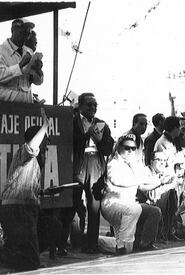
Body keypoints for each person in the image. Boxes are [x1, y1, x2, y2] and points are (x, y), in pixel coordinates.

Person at [0, 108, 48, 271]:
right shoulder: (24, 154)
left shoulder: (32, 163)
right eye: (45, 140)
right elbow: (32, 146)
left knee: (52, 226)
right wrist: (45, 127)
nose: (46, 144)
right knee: (31, 263)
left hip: (23, 208)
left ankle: (17, 258)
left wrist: (42, 192)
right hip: (19, 208)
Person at [101, 134, 162, 255]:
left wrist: (161, 183)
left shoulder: (135, 164)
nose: (130, 151)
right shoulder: (113, 162)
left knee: (154, 211)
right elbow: (116, 181)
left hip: (128, 204)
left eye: (133, 148)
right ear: (119, 147)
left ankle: (144, 244)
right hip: (112, 203)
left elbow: (143, 186)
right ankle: (121, 245)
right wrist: (140, 180)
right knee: (134, 209)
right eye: (127, 147)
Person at [71, 92, 114, 253]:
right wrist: (85, 136)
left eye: (95, 105)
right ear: (80, 106)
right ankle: (75, 240)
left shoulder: (102, 124)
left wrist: (99, 139)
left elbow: (108, 148)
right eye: (89, 104)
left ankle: (91, 244)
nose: (93, 108)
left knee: (94, 204)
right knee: (74, 202)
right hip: (78, 162)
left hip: (96, 162)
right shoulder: (72, 121)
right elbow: (70, 143)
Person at [0, 18, 42, 103]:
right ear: (13, 31)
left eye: (28, 34)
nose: (25, 37)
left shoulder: (28, 51)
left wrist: (38, 70)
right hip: (6, 107)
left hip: (26, 108)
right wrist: (20, 65)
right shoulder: (1, 51)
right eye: (22, 33)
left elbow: (38, 82)